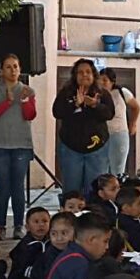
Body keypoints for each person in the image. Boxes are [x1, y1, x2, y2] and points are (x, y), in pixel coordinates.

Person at [0, 54, 37, 238]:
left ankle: (19, 225)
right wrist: (7, 101)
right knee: (2, 186)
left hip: (21, 144)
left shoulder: (28, 91)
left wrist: (23, 102)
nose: (12, 70)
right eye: (8, 67)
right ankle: (0, 225)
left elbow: (30, 115)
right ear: (1, 70)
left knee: (18, 186)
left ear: (20, 69)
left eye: (15, 66)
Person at [53, 59, 115, 194]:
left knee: (95, 191)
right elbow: (57, 112)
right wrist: (75, 104)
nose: (84, 75)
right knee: (71, 190)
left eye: (88, 72)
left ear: (93, 75)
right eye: (80, 72)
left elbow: (109, 114)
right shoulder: (66, 92)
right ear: (75, 76)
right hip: (71, 149)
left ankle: (93, 214)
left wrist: (94, 105)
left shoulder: (102, 93)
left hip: (97, 149)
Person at [28, 211, 76, 279]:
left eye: (64, 233)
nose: (59, 238)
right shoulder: (50, 257)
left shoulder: (73, 251)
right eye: (54, 234)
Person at [98, 68, 140, 177]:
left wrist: (133, 124)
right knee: (100, 168)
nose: (101, 83)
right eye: (99, 80)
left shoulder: (122, 93)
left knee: (117, 168)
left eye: (105, 80)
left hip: (118, 134)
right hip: (100, 135)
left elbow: (136, 107)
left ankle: (117, 191)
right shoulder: (96, 95)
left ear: (112, 81)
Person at [7, 206, 51, 279]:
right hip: (24, 277)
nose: (41, 225)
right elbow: (17, 259)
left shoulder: (51, 241)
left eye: (45, 221)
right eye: (36, 222)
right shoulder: (25, 244)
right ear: (27, 227)